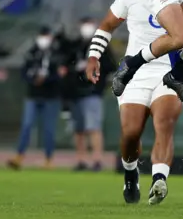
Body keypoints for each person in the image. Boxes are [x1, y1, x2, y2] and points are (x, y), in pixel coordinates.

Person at [86, 0, 183, 205]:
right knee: (130, 133)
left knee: (164, 123)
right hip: (134, 73)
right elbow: (107, 25)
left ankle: (159, 179)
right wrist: (94, 56)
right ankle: (131, 172)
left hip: (168, 72)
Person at [8, 26, 68, 170]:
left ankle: (48, 158)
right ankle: (19, 156)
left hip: (50, 96)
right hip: (33, 95)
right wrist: (34, 79)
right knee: (27, 125)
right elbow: (24, 72)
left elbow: (61, 74)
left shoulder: (56, 54)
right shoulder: (32, 52)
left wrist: (46, 79)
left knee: (49, 129)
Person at [69, 17, 117, 171]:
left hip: (93, 91)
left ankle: (97, 160)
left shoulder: (101, 45)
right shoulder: (76, 45)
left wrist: (96, 66)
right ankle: (81, 160)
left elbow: (111, 65)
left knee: (93, 127)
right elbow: (66, 65)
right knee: (79, 129)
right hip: (76, 91)